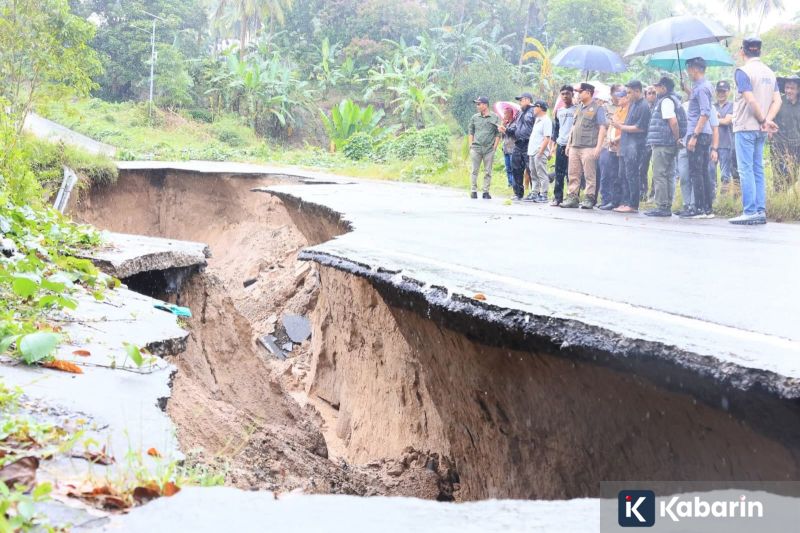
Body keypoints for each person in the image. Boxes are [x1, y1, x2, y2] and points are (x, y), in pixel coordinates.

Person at [731, 37, 781, 225]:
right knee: (758, 168)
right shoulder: (769, 72)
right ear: (759, 51)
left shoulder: (742, 72)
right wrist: (767, 121)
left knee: (746, 169)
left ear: (743, 52)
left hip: (746, 127)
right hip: (761, 129)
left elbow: (751, 100)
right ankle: (760, 210)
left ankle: (750, 211)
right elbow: (778, 101)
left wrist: (762, 120)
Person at [644, 76, 685, 216]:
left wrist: (676, 137)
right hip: (668, 142)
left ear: (664, 88)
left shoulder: (666, 101)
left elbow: (673, 122)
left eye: (658, 87)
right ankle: (666, 204)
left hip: (663, 143)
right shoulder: (674, 100)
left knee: (660, 174)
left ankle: (662, 206)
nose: (655, 89)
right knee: (669, 174)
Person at [562, 83, 607, 209]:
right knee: (573, 174)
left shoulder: (598, 108)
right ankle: (572, 197)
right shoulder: (578, 108)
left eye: (580, 92)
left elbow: (602, 128)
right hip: (575, 146)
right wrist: (568, 144)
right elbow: (573, 127)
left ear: (588, 92)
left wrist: (598, 147)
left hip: (589, 146)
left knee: (589, 174)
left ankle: (589, 198)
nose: (577, 94)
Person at [679, 57, 715, 219]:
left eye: (689, 69)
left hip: (698, 134)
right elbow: (697, 102)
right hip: (703, 133)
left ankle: (699, 207)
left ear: (695, 69)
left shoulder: (701, 88)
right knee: (703, 172)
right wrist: (687, 90)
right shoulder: (701, 87)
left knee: (696, 172)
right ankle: (707, 208)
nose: (688, 72)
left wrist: (694, 135)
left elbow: (705, 112)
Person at [612, 80, 651, 213]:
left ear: (637, 91)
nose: (627, 95)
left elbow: (640, 128)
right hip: (626, 144)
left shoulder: (644, 106)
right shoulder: (633, 104)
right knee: (623, 174)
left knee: (632, 174)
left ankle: (633, 204)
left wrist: (620, 127)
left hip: (636, 146)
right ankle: (625, 201)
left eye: (629, 92)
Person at [501, 92, 535, 200]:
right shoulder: (520, 113)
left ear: (528, 100)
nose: (520, 102)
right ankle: (518, 193)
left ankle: (534, 192)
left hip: (529, 143)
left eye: (521, 100)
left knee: (530, 169)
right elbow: (515, 129)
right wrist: (506, 130)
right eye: (519, 100)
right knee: (515, 168)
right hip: (518, 143)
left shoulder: (534, 111)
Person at [598, 87, 626, 209]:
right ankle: (605, 199)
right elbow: (604, 125)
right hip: (606, 144)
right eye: (617, 92)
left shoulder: (625, 107)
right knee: (605, 173)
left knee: (617, 174)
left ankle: (616, 200)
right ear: (611, 93)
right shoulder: (605, 107)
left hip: (620, 144)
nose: (619, 95)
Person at [467, 96, 501, 199]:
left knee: (488, 171)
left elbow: (498, 133)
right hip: (476, 148)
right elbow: (471, 131)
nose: (477, 106)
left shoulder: (495, 117)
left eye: (479, 104)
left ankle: (486, 191)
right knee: (474, 170)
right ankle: (473, 190)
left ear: (485, 105)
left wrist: (494, 147)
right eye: (477, 104)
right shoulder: (475, 117)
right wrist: (470, 145)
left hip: (489, 149)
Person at [772, 74, 800, 192]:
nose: (788, 91)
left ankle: (788, 199)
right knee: (778, 176)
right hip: (778, 144)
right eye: (787, 87)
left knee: (792, 175)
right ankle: (778, 199)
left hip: (796, 146)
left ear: (798, 89)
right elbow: (770, 118)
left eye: (792, 88)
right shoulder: (778, 102)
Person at [550, 85, 575, 206]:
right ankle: (557, 198)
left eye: (567, 94)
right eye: (563, 94)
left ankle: (571, 197)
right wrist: (553, 146)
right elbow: (556, 130)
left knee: (571, 173)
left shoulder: (577, 110)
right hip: (561, 144)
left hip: (574, 145)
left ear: (572, 95)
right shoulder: (558, 112)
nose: (565, 96)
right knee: (559, 172)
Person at [709, 81, 735, 195]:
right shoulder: (711, 106)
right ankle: (712, 198)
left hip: (726, 144)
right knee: (711, 173)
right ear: (716, 92)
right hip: (711, 144)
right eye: (719, 91)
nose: (721, 94)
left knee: (725, 174)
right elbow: (705, 121)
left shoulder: (732, 105)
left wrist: (714, 119)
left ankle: (724, 199)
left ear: (728, 92)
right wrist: (717, 118)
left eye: (723, 91)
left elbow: (727, 121)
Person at [526, 100, 552, 202]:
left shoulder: (546, 120)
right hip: (532, 151)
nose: (533, 109)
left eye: (535, 107)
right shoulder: (537, 120)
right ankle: (534, 193)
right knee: (533, 174)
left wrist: (541, 152)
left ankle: (544, 194)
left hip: (539, 151)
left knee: (542, 174)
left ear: (540, 107)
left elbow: (547, 138)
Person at [501, 107, 516, 188]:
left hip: (512, 149)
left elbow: (512, 133)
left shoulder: (514, 124)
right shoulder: (506, 124)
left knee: (513, 168)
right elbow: (503, 136)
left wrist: (505, 128)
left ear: (510, 114)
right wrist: (503, 125)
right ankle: (510, 183)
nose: (504, 115)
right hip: (506, 149)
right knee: (508, 169)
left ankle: (514, 184)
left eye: (505, 113)